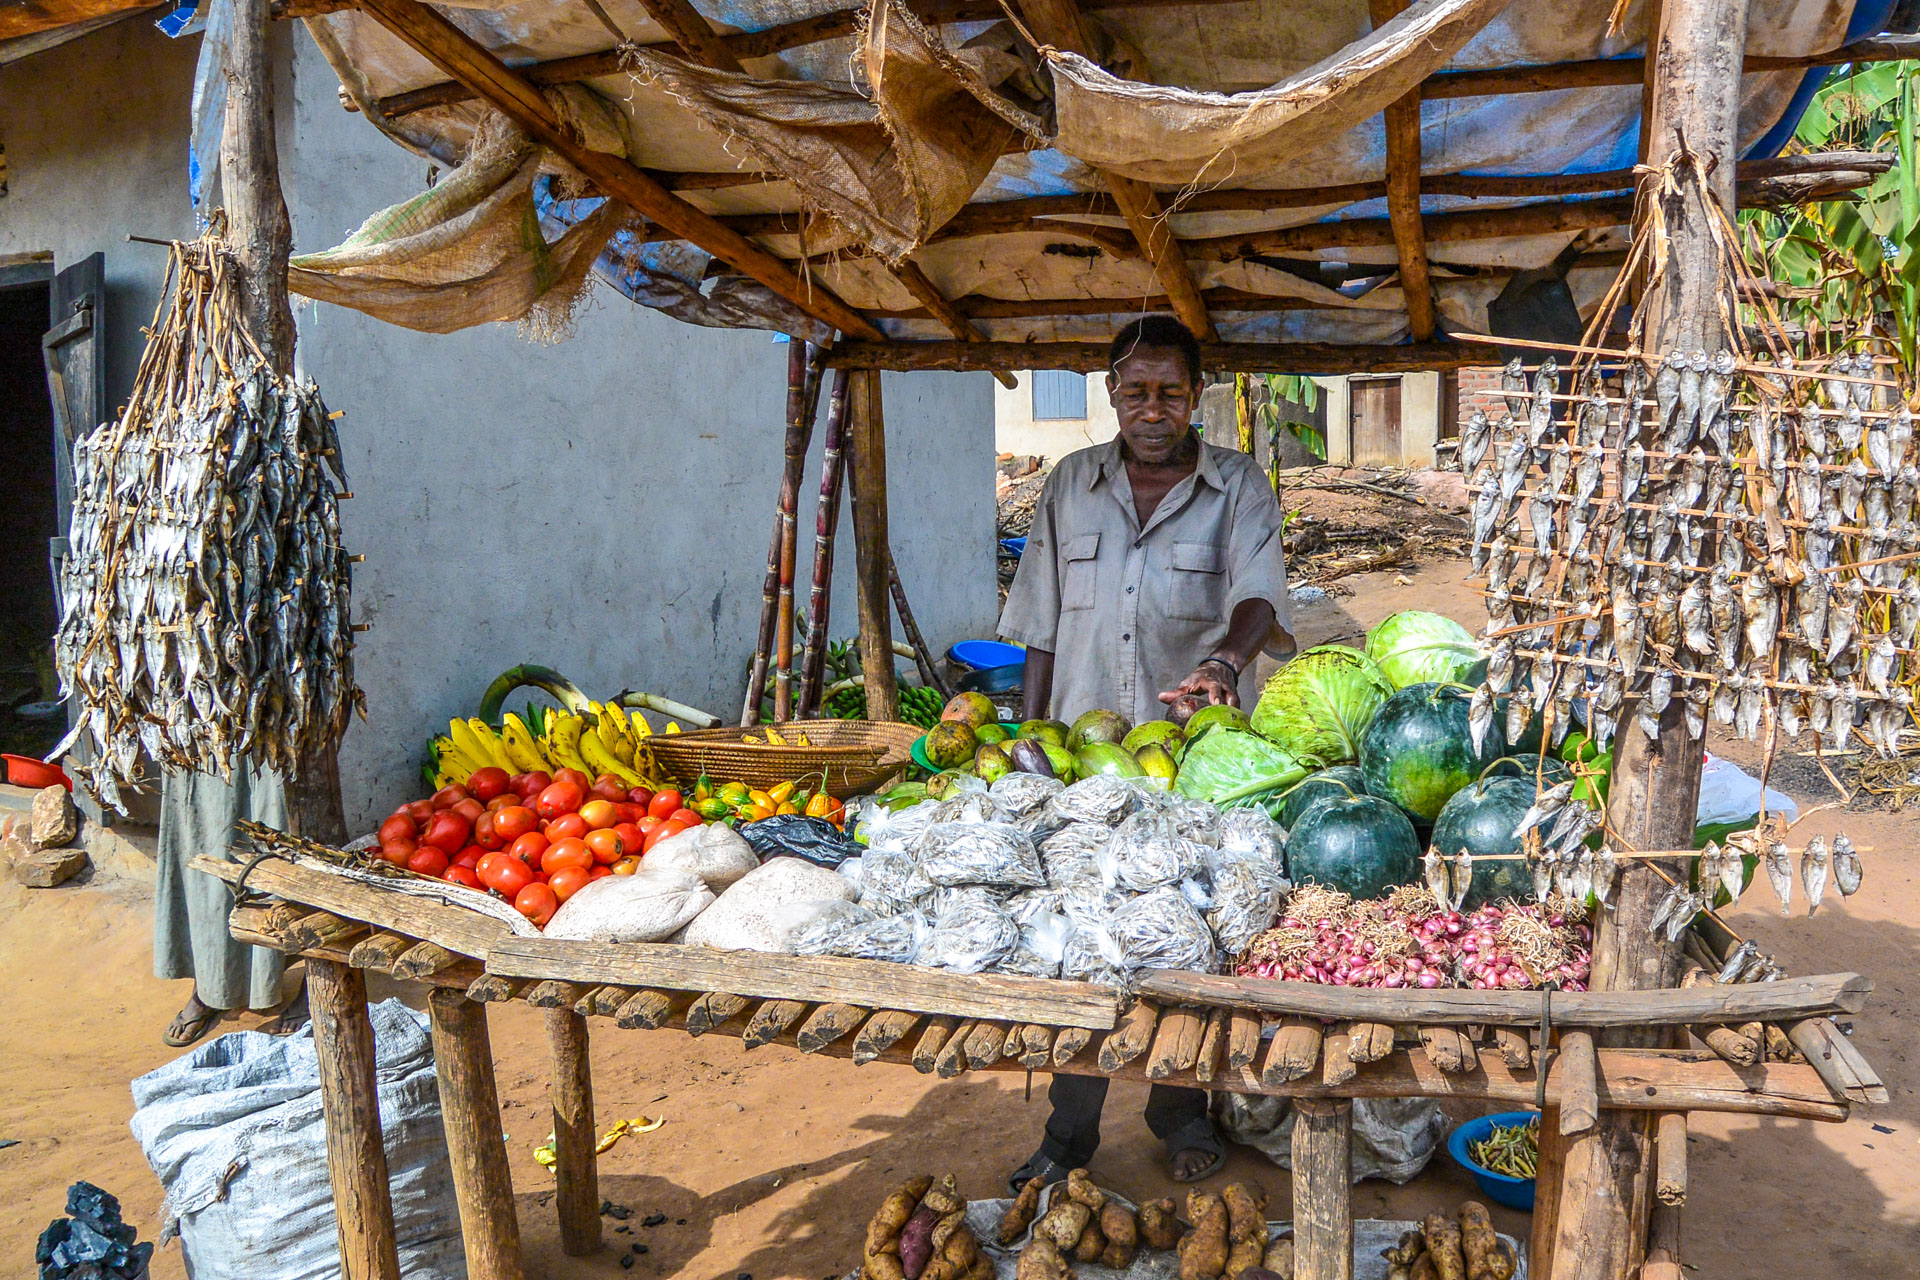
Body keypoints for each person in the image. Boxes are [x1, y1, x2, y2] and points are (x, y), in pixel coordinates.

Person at [996, 315, 1296, 1187]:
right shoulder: (1070, 485)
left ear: (1195, 393)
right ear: (1112, 394)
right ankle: (1068, 1134)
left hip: (1192, 764)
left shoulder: (1237, 485)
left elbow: (1259, 600)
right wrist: (1031, 734)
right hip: (1086, 769)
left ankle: (1178, 1111)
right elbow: (1040, 623)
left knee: (1183, 937)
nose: (1153, 409)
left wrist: (1223, 664)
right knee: (1083, 942)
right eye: (1136, 392)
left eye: (1170, 391)